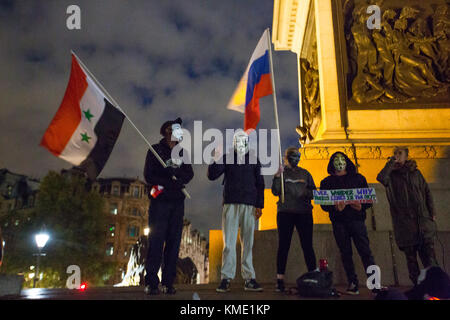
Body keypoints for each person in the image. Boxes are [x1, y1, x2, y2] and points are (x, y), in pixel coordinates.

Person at [208, 130, 265, 293]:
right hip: (231, 203)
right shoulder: (226, 157)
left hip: (249, 204)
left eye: (243, 141)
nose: (240, 143)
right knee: (229, 243)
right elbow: (212, 175)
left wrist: (259, 205)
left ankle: (249, 278)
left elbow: (259, 183)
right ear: (233, 143)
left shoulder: (254, 159)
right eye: (237, 141)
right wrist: (216, 157)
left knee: (248, 242)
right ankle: (226, 278)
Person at [143, 117, 194, 295]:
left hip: (177, 203)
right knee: (156, 242)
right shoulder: (155, 150)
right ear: (167, 131)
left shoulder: (182, 152)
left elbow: (189, 173)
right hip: (160, 202)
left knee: (174, 243)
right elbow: (149, 175)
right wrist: (168, 181)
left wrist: (179, 179)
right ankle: (151, 282)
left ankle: (168, 282)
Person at [377, 147, 438, 286]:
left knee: (430, 259)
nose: (397, 156)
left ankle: (434, 286)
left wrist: (432, 212)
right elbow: (381, 178)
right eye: (395, 154)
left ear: (406, 156)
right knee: (411, 261)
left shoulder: (416, 173)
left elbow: (427, 192)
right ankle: (417, 288)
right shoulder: (391, 175)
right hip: (405, 226)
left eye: (400, 153)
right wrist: (391, 163)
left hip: (422, 223)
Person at [320, 152, 378, 295]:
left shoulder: (359, 178)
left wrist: (361, 206)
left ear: (347, 162)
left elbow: (368, 200)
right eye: (336, 160)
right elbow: (323, 204)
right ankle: (353, 283)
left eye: (342, 160)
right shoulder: (326, 182)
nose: (339, 163)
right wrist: (334, 207)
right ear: (331, 163)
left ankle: (375, 284)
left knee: (366, 252)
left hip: (357, 221)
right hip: (339, 223)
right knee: (345, 254)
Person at [271, 147, 317, 292]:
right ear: (286, 157)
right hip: (285, 212)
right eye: (292, 156)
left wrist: (304, 192)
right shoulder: (282, 173)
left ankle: (314, 275)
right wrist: (277, 177)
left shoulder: (305, 173)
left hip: (304, 212)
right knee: (284, 245)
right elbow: (275, 191)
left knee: (307, 245)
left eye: (297, 156)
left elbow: (314, 191)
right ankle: (279, 279)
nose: (295, 159)